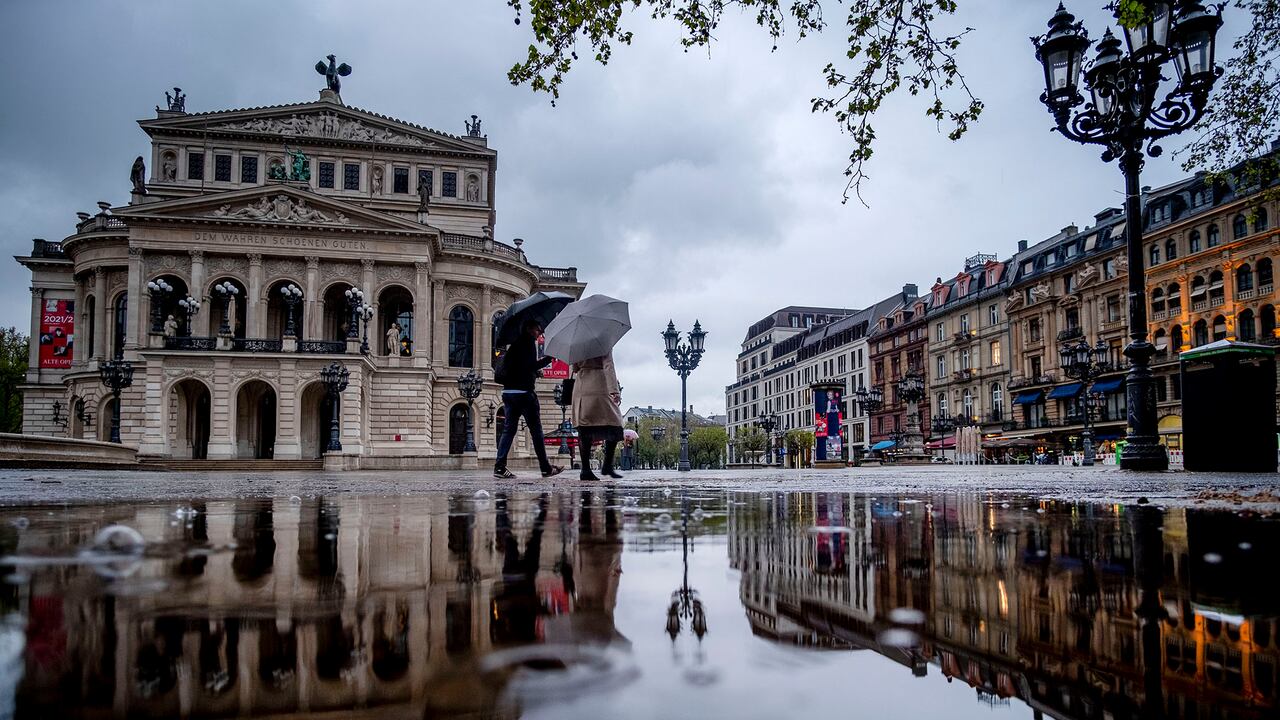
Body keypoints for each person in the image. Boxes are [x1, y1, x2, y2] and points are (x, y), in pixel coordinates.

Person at [493, 319, 564, 479]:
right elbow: (531, 366)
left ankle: (499, 467)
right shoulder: (527, 343)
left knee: (508, 430)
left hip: (509, 393)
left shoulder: (514, 345)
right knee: (536, 432)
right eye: (538, 330)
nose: (540, 333)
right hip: (524, 394)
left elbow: (521, 368)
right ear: (529, 328)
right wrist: (549, 358)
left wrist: (533, 372)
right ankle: (545, 468)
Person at [571, 351, 624, 481]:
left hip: (581, 385)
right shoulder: (603, 340)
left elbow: (575, 368)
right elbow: (608, 365)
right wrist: (614, 390)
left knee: (585, 428)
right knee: (615, 424)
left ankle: (585, 470)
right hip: (600, 384)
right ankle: (607, 465)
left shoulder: (578, 343)